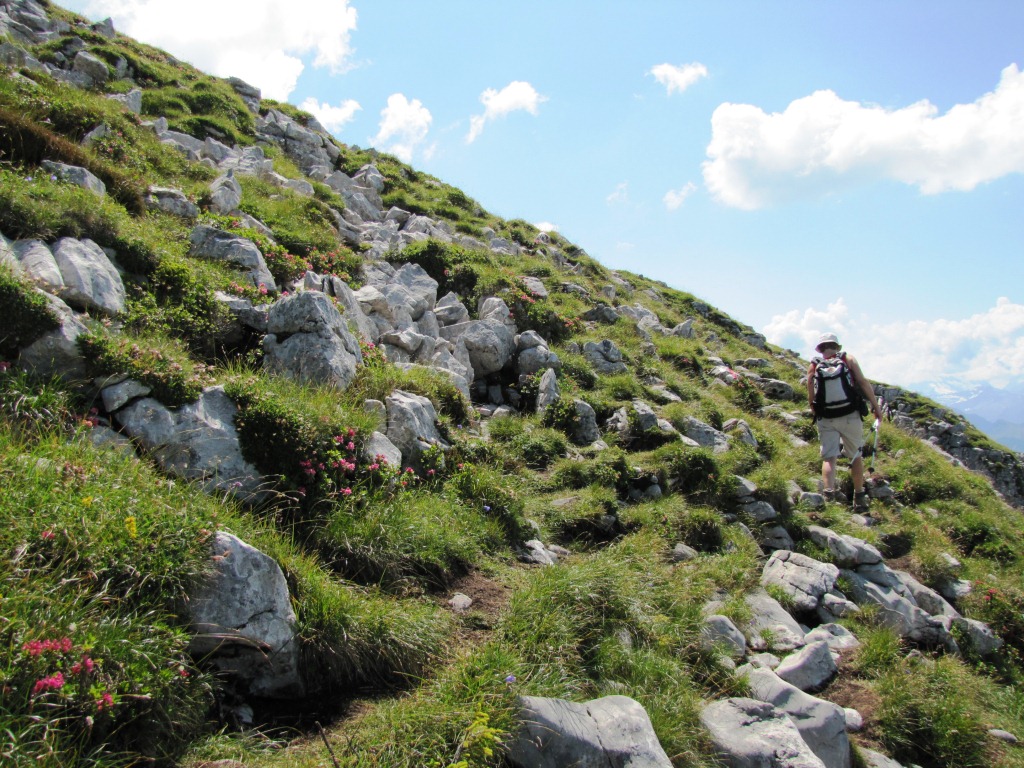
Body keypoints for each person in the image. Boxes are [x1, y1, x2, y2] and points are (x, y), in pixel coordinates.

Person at [806, 332, 884, 510]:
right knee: (855, 455)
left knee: (829, 458)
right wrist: (876, 407)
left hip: (826, 417)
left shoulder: (815, 365)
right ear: (837, 346)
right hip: (850, 415)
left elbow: (810, 388)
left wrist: (814, 409)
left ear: (820, 348)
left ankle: (828, 496)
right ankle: (859, 497)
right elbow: (863, 383)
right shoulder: (848, 359)